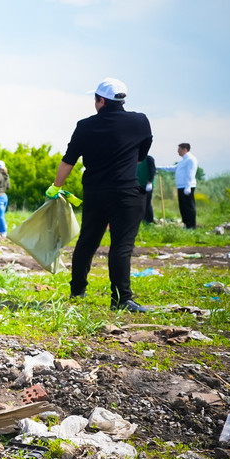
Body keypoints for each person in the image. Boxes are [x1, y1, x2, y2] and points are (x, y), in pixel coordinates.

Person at [49, 78, 152, 313]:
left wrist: (56, 186)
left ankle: (77, 290)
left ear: (101, 101)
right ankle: (121, 299)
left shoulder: (85, 126)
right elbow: (141, 156)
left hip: (95, 192)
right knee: (121, 247)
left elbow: (69, 160)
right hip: (126, 193)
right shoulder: (140, 121)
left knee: (87, 241)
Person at [158, 143, 198, 228]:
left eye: (179, 149)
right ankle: (186, 224)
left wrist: (188, 186)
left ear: (184, 149)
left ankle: (191, 226)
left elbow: (190, 173)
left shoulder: (191, 159)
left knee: (189, 206)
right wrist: (159, 167)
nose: (177, 151)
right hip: (181, 186)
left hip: (187, 187)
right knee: (183, 207)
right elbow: (173, 168)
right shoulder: (183, 160)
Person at [136, 154, 157, 224]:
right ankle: (142, 219)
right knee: (140, 203)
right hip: (139, 184)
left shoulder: (149, 158)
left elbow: (152, 170)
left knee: (147, 202)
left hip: (147, 184)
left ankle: (149, 220)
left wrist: (150, 181)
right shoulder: (136, 159)